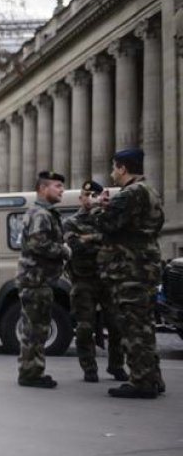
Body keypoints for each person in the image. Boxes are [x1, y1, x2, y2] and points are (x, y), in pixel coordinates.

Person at [95, 148, 166, 399]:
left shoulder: (131, 193)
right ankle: (152, 376)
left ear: (123, 168)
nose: (112, 173)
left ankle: (141, 381)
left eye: (114, 168)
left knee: (133, 327)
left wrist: (100, 207)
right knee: (144, 326)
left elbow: (107, 225)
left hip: (130, 269)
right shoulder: (150, 191)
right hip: (145, 266)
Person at [62, 180, 126, 383]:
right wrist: (97, 239)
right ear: (81, 198)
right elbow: (74, 246)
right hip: (83, 280)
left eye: (94, 195)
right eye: (86, 195)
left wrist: (88, 237)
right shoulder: (70, 222)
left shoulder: (107, 219)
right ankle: (89, 368)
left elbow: (115, 243)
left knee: (117, 325)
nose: (90, 198)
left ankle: (116, 366)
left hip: (108, 280)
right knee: (84, 327)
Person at [16, 170, 69, 389]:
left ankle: (31, 370)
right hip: (36, 281)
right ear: (43, 188)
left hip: (37, 280)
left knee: (35, 328)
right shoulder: (41, 214)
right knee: (36, 329)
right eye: (57, 186)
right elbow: (39, 245)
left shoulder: (42, 212)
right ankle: (31, 373)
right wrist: (64, 250)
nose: (61, 190)